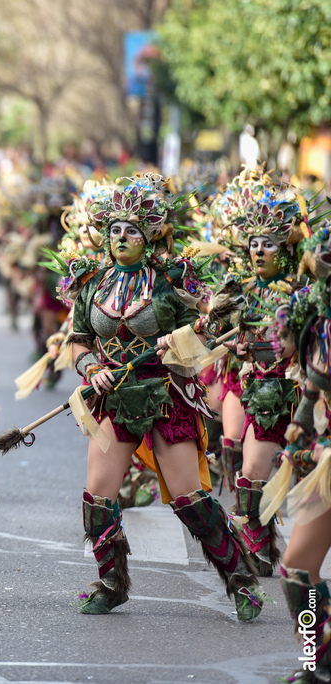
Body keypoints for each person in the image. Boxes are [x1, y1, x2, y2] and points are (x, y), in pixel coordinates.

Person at [62, 174, 264, 620]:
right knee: (97, 496)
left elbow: (210, 322)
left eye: (131, 230)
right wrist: (90, 368)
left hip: (166, 395)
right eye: (114, 230)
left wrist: (184, 336)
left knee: (188, 498)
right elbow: (78, 339)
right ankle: (111, 583)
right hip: (113, 397)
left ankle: (242, 580)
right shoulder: (92, 281)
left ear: (150, 234)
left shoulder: (170, 279)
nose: (121, 238)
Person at [208, 168, 304, 576]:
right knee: (249, 473)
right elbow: (212, 333)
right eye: (254, 243)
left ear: (285, 249)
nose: (259, 251)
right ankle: (259, 543)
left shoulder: (303, 291)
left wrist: (296, 342)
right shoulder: (240, 290)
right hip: (261, 391)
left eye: (269, 244)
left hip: (305, 398)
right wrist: (233, 344)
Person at [265, 225, 331, 682]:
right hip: (326, 458)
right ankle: (317, 661)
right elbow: (312, 385)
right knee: (296, 569)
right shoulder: (320, 319)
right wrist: (301, 429)